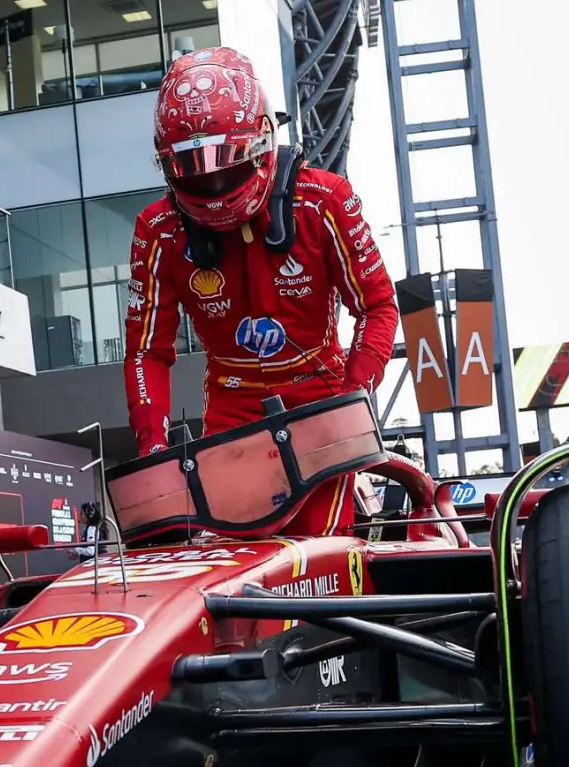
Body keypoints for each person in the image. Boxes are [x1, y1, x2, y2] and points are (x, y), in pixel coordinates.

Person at [122, 46, 398, 537]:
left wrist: (354, 394)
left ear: (262, 139)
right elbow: (146, 351)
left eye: (225, 164)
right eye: (195, 168)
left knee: (319, 550)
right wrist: (153, 446)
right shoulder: (159, 231)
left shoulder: (325, 201)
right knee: (231, 555)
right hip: (233, 406)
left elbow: (377, 306)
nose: (213, 179)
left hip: (322, 397)